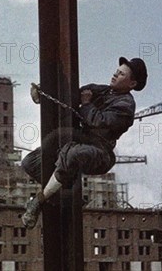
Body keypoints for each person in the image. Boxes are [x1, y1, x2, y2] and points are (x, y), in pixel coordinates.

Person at [20, 56, 147, 229]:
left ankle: (38, 201)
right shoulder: (102, 90)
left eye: (121, 74)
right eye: (116, 71)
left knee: (74, 153)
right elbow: (73, 95)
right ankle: (69, 199)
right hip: (80, 140)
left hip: (100, 152)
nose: (115, 75)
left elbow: (99, 121)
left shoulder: (126, 106)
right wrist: (45, 93)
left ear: (132, 84)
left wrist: (86, 104)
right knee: (30, 162)